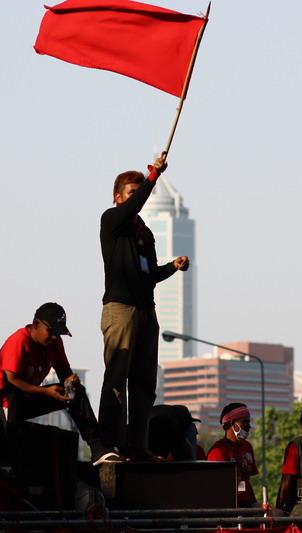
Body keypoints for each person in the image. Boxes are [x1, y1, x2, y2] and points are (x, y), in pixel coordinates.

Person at [98, 153, 190, 461]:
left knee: (143, 384)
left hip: (146, 310)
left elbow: (148, 274)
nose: (138, 198)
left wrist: (171, 267)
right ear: (118, 197)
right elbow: (132, 207)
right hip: (121, 309)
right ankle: (108, 446)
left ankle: (137, 447)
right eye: (132, 193)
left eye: (140, 192)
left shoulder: (144, 233)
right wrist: (153, 176)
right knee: (116, 381)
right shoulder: (112, 221)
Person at [0, 302, 117, 465]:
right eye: (51, 331)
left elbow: (64, 372)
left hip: (26, 395)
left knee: (76, 391)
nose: (54, 337)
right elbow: (11, 382)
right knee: (12, 397)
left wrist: (70, 382)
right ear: (36, 324)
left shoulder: (55, 343)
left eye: (58, 333)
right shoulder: (19, 341)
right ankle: (6, 461)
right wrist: (45, 391)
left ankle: (97, 447)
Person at [207, 403, 260, 507]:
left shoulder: (247, 446)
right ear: (233, 423)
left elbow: (247, 482)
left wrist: (254, 504)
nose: (249, 426)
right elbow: (217, 487)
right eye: (246, 422)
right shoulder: (218, 451)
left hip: (247, 505)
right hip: (228, 507)